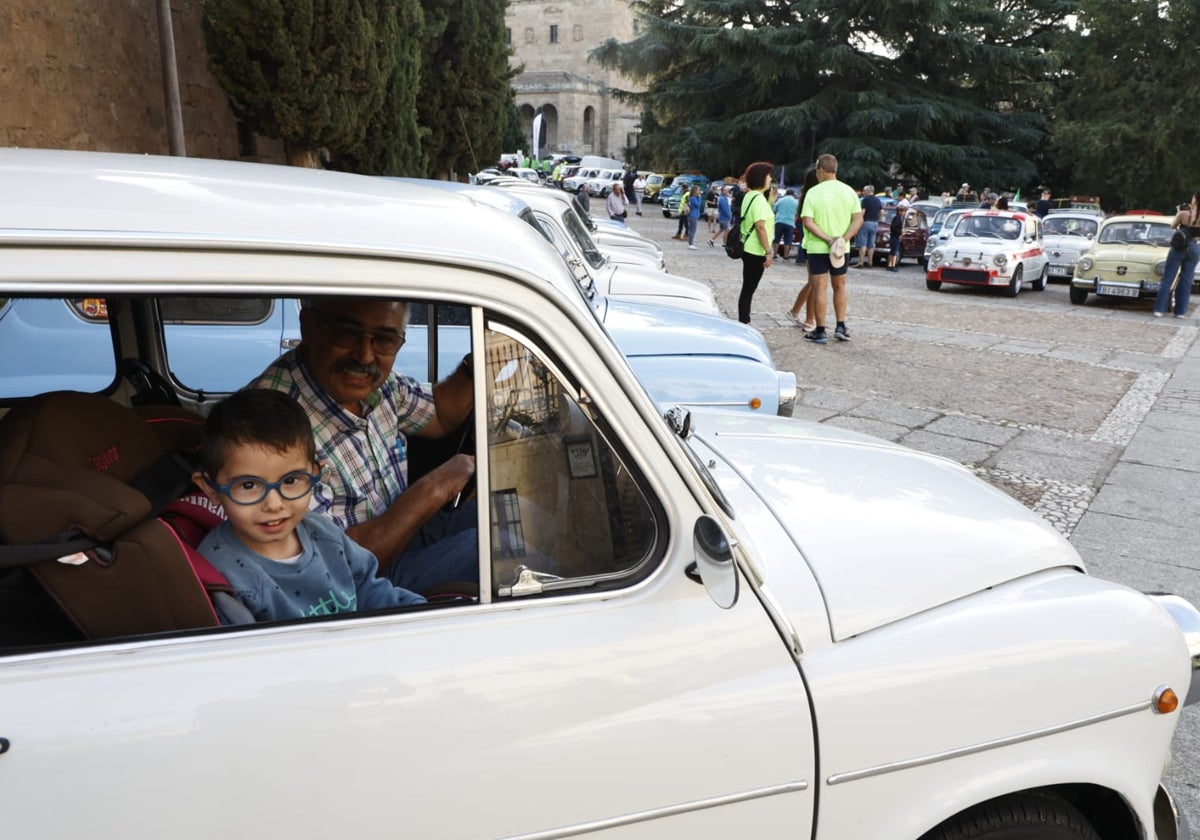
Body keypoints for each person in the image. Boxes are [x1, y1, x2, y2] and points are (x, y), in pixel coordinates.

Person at [250, 297, 477, 595]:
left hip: (401, 540)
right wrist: (437, 487)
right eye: (347, 333)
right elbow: (337, 566)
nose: (365, 355)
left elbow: (441, 414)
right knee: (490, 550)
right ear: (310, 328)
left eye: (385, 339)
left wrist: (477, 364)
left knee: (508, 512)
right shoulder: (269, 425)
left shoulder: (380, 386)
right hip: (356, 589)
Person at [193, 388, 426, 623]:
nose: (274, 504)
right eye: (249, 485)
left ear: (315, 474)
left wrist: (422, 614)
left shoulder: (323, 533)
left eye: (291, 481)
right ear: (211, 489)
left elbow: (371, 590)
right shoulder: (223, 576)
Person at [799, 153, 863, 344]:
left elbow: (808, 222)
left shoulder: (813, 192)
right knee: (840, 285)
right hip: (841, 249)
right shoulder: (849, 191)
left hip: (818, 247)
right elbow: (858, 219)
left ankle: (820, 330)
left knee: (820, 287)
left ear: (820, 170)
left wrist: (828, 239)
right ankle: (841, 325)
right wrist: (842, 239)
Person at [735, 161, 776, 324]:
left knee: (748, 288)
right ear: (761, 178)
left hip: (748, 247)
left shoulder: (750, 196)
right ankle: (744, 322)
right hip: (756, 250)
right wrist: (768, 251)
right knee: (749, 289)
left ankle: (744, 320)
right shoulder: (758, 198)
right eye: (768, 176)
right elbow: (760, 226)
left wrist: (770, 202)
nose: (771, 179)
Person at [785, 166, 822, 331]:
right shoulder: (813, 197)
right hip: (812, 243)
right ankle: (809, 319)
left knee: (812, 283)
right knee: (814, 284)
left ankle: (795, 312)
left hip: (809, 242)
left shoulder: (806, 195)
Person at [1154, 190, 1200, 318]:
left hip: (1179, 247)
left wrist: (1178, 213)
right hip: (1195, 247)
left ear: (1195, 199)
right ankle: (1180, 312)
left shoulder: (1184, 213)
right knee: (1186, 280)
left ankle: (1159, 310)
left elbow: (1172, 226)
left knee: (1168, 278)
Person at [854, 185, 882, 268]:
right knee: (871, 244)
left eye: (864, 190)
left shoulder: (865, 200)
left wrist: (858, 222)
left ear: (868, 191)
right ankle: (870, 262)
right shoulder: (878, 200)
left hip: (866, 222)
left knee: (863, 243)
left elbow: (863, 212)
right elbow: (881, 212)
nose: (863, 192)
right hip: (874, 223)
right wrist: (878, 220)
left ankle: (861, 262)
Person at [772, 188, 800, 260]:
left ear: (786, 194)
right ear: (793, 195)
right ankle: (786, 255)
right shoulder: (796, 202)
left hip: (779, 221)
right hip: (790, 223)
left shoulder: (780, 200)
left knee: (777, 238)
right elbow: (797, 213)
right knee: (788, 239)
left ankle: (775, 254)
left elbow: (774, 209)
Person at [886, 201, 908, 272]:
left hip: (894, 237)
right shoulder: (897, 219)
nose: (904, 213)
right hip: (895, 237)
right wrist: (900, 232)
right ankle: (892, 265)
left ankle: (890, 265)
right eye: (903, 211)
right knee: (894, 252)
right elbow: (894, 228)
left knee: (893, 252)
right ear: (900, 211)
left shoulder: (898, 218)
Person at [686, 183, 704, 249]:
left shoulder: (694, 198)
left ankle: (691, 243)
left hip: (694, 215)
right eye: (698, 190)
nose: (699, 192)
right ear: (695, 191)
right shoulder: (693, 198)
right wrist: (699, 198)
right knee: (692, 230)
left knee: (693, 229)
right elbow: (698, 205)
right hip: (693, 215)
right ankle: (690, 244)